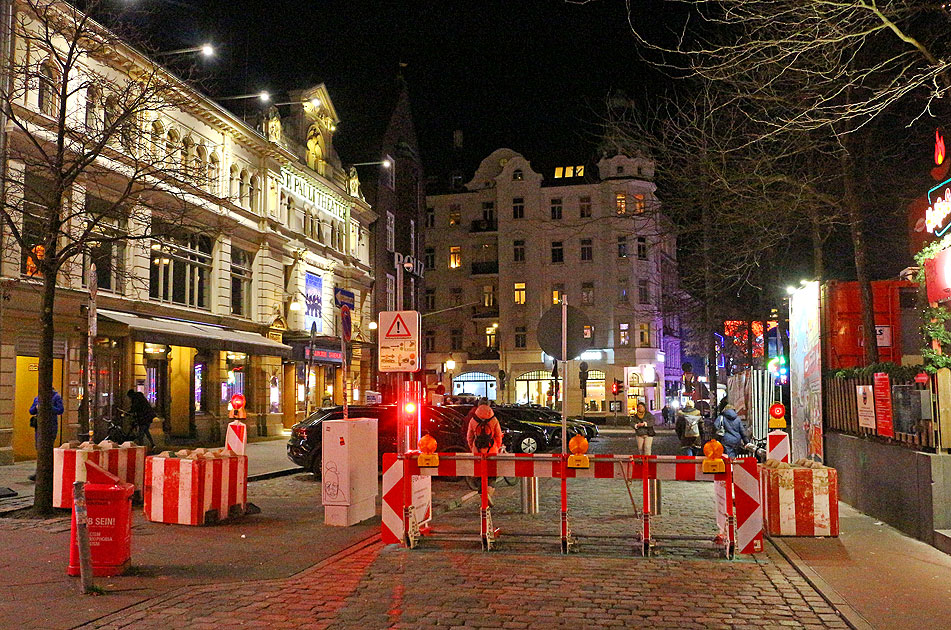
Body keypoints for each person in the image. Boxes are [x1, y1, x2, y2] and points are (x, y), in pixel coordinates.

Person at [466, 402, 503, 506]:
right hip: (491, 451)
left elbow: (469, 436)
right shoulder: (494, 419)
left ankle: (483, 493)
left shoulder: (473, 420)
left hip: (477, 451)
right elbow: (498, 436)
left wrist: (473, 447)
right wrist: (497, 447)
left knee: (478, 475)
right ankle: (488, 495)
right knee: (491, 475)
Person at [28, 388, 64, 481]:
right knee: (39, 448)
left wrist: (49, 407)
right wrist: (36, 408)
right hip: (39, 427)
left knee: (47, 449)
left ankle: (46, 472)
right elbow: (31, 411)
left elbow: (60, 410)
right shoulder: (37, 398)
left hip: (51, 426)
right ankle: (40, 472)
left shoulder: (56, 397)